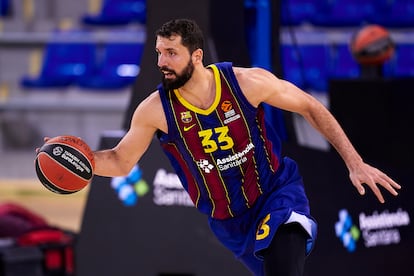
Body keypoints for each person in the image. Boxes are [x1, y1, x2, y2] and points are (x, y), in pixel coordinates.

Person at [44, 19, 401, 276]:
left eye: (171, 53)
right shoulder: (155, 109)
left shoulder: (246, 83)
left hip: (276, 191)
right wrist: (81, 160)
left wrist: (354, 162)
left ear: (196, 56)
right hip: (230, 220)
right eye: (158, 53)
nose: (161, 62)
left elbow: (310, 105)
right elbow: (121, 162)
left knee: (285, 242)